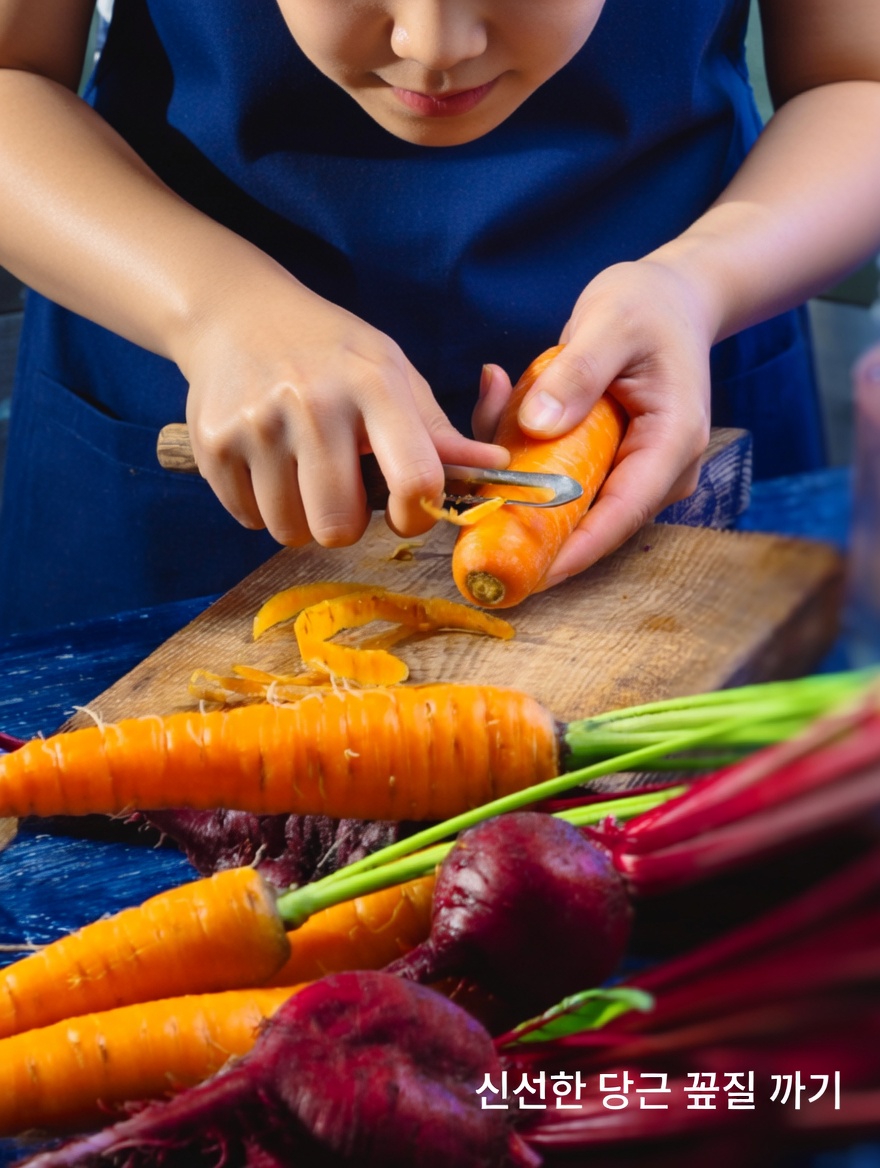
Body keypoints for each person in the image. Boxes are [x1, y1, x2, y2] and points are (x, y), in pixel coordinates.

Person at [0, 0, 878, 634]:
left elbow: (859, 76)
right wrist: (213, 306)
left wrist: (701, 284)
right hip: (161, 371)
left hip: (687, 351)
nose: (433, 46)